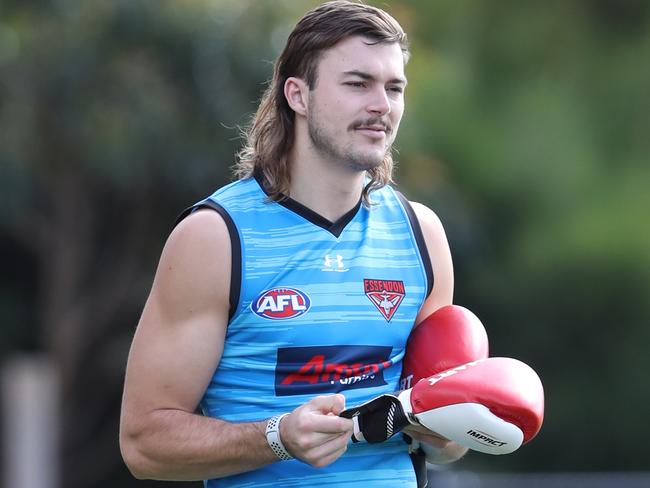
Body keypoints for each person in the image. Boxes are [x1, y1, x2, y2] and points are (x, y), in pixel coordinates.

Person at [119, 1, 467, 486]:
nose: (381, 105)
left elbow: (443, 444)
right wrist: (276, 438)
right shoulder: (216, 236)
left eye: (394, 88)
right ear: (298, 96)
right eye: (357, 83)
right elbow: (144, 444)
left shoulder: (420, 234)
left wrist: (462, 420)